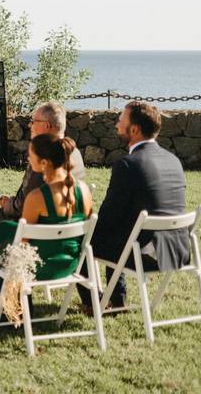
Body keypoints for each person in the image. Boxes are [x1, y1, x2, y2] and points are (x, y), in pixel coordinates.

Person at [0, 134, 93, 295]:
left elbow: (23, 243)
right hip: (70, 265)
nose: (28, 161)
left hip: (37, 267)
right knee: (4, 228)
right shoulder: (84, 191)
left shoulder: (37, 197)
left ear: (44, 163)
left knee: (1, 238)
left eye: (30, 156)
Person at [79, 102, 188, 310]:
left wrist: (85, 229)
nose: (117, 125)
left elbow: (109, 217)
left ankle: (93, 302)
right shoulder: (173, 160)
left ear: (134, 129)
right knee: (123, 230)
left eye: (121, 120)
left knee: (82, 241)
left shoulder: (128, 165)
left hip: (144, 255)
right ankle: (117, 299)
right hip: (176, 251)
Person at [0, 102, 85, 228]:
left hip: (36, 227)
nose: (29, 125)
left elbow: (22, 208)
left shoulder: (42, 158)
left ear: (47, 125)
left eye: (33, 121)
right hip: (67, 225)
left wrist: (8, 204)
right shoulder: (74, 152)